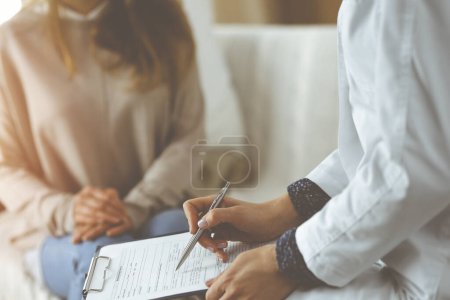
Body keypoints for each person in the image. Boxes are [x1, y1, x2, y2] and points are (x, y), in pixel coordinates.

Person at [183, 1, 450, 299]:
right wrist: (282, 210)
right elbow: (387, 145)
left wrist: (287, 260)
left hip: (431, 276)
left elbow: (409, 169)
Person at [0, 0, 204, 299]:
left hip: (152, 210)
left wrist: (135, 207)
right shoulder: (10, 43)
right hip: (55, 231)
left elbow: (189, 141)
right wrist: (69, 210)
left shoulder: (165, 24)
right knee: (103, 256)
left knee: (178, 233)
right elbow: (5, 166)